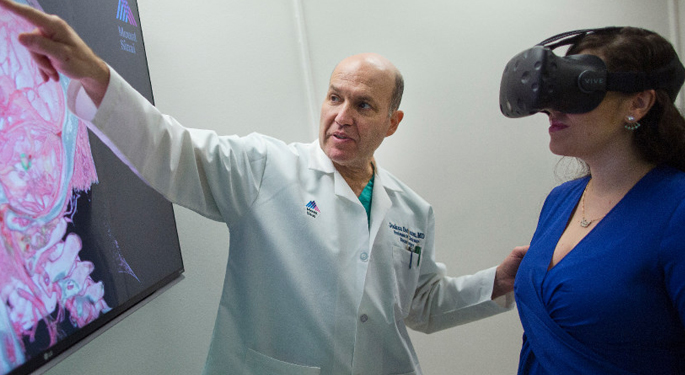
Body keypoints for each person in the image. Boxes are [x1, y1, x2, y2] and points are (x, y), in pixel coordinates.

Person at [0, 1, 527, 374]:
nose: (342, 116)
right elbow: (170, 149)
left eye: (363, 105)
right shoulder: (262, 167)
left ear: (393, 121)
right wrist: (92, 73)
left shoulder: (413, 210)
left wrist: (497, 282)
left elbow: (422, 304)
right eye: (334, 97)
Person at [506, 27, 685, 374]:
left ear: (639, 103)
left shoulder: (677, 208)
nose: (550, 108)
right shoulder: (560, 201)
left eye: (576, 90)